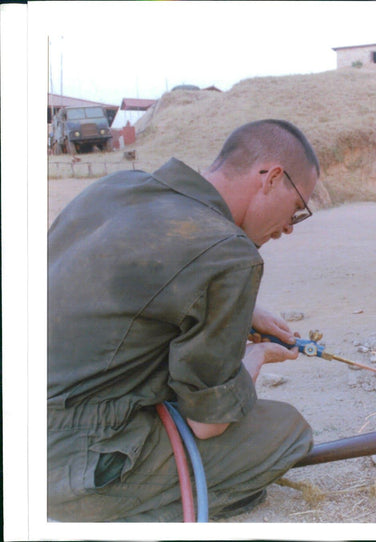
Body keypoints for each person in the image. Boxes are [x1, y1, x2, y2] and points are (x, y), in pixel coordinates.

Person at [48, 119, 320, 521]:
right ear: (272, 178)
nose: (288, 229)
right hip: (74, 464)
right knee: (287, 431)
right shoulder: (228, 252)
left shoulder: (117, 188)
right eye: (296, 209)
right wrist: (257, 356)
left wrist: (242, 312)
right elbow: (207, 424)